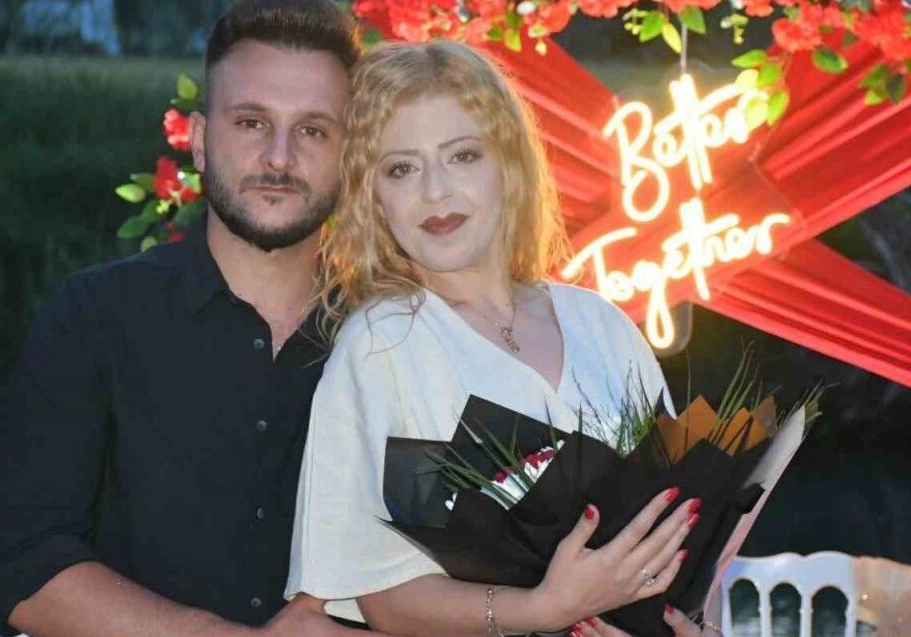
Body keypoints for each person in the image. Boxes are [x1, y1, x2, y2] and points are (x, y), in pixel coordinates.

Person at [0, 0, 376, 637]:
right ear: (198, 140)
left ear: (349, 152)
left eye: (312, 130)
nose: (279, 157)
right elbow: (23, 566)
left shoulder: (394, 335)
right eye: (251, 123)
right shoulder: (93, 319)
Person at [285, 40, 712, 637]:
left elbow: (685, 527)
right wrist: (541, 610)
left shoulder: (602, 324)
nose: (436, 192)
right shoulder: (383, 346)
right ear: (372, 199)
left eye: (462, 156)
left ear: (509, 166)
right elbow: (376, 593)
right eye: (402, 168)